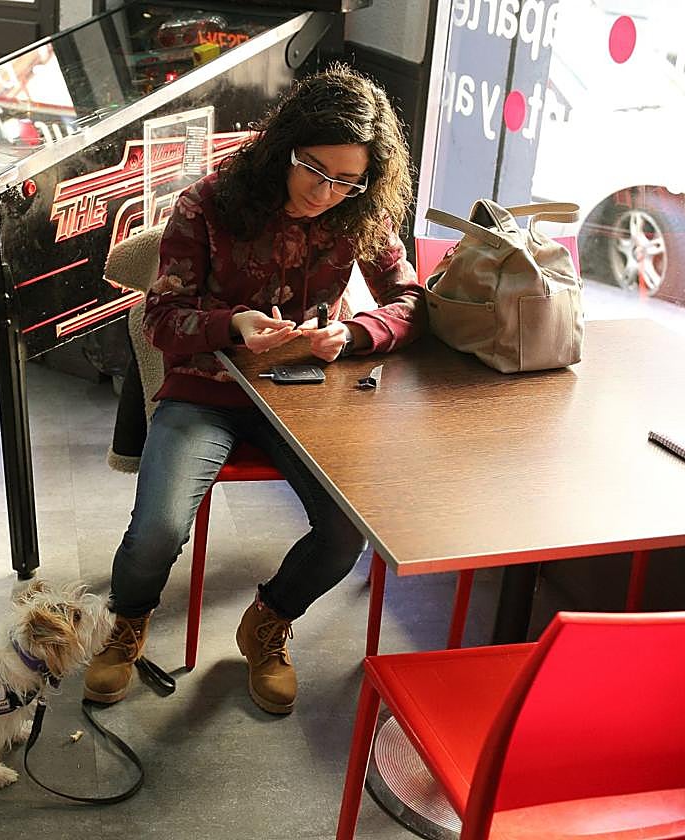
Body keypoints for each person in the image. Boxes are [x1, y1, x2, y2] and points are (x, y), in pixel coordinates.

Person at [84, 63, 426, 715]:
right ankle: (125, 627)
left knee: (344, 535)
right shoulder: (208, 204)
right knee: (157, 528)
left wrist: (353, 335)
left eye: (348, 181)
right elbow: (159, 316)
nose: (327, 193)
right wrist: (230, 323)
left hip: (300, 395)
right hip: (206, 389)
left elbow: (410, 300)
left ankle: (268, 623)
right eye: (315, 170)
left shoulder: (360, 214)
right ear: (283, 147)